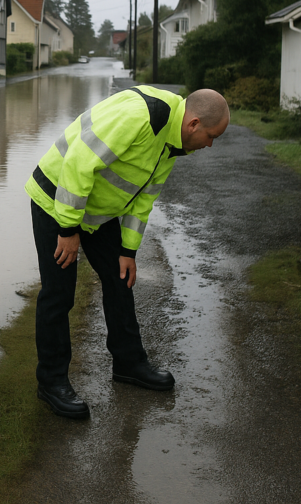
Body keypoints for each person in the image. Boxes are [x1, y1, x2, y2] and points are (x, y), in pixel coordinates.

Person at [25, 86, 229, 419]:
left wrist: (128, 250)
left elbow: (144, 198)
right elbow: (78, 162)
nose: (210, 145)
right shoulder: (141, 117)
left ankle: (129, 363)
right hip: (56, 198)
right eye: (211, 137)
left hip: (96, 209)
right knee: (59, 293)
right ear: (193, 124)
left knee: (120, 278)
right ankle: (51, 381)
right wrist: (68, 229)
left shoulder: (173, 142)